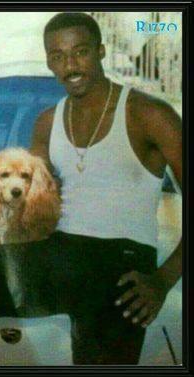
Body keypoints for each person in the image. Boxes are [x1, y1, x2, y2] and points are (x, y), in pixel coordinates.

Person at [30, 12, 182, 365]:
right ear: (49, 61)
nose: (70, 66)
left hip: (121, 263)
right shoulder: (47, 122)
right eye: (58, 57)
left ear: (100, 51)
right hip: (60, 254)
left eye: (80, 52)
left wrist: (162, 280)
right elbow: (34, 202)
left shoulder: (149, 114)